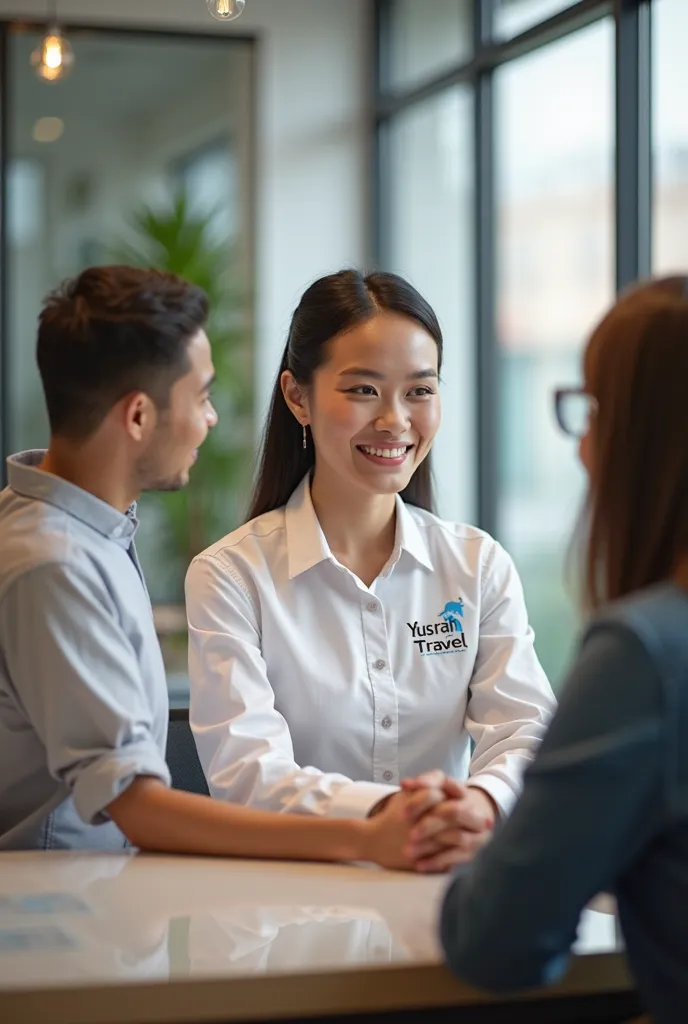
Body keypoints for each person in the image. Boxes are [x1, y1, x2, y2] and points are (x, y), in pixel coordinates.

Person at [0, 264, 452, 868]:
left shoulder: (85, 533)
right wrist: (367, 835)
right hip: (56, 917)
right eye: (202, 396)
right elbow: (137, 805)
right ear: (138, 417)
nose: (211, 419)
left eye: (420, 389)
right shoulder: (54, 563)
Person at [186, 269, 556, 870]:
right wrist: (402, 817)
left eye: (419, 391)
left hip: (444, 898)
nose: (394, 420)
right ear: (296, 396)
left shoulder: (477, 565)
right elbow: (249, 775)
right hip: (283, 921)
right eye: (362, 390)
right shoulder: (231, 576)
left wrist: (480, 804)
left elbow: (525, 732)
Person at [439, 276, 688, 1022]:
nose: (583, 441)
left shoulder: (643, 655)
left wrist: (477, 827)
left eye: (595, 409)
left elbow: (498, 939)